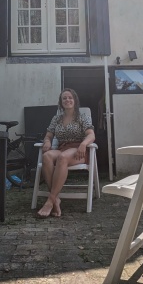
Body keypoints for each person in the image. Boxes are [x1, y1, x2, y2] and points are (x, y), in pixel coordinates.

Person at [37, 88, 96, 217]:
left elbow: (91, 135)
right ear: (61, 102)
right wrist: (47, 141)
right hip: (62, 148)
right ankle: (55, 199)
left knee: (62, 158)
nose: (67, 100)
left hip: (78, 150)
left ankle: (49, 201)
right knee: (47, 156)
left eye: (70, 97)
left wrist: (83, 144)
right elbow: (48, 135)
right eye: (64, 98)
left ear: (75, 100)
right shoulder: (56, 119)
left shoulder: (82, 117)